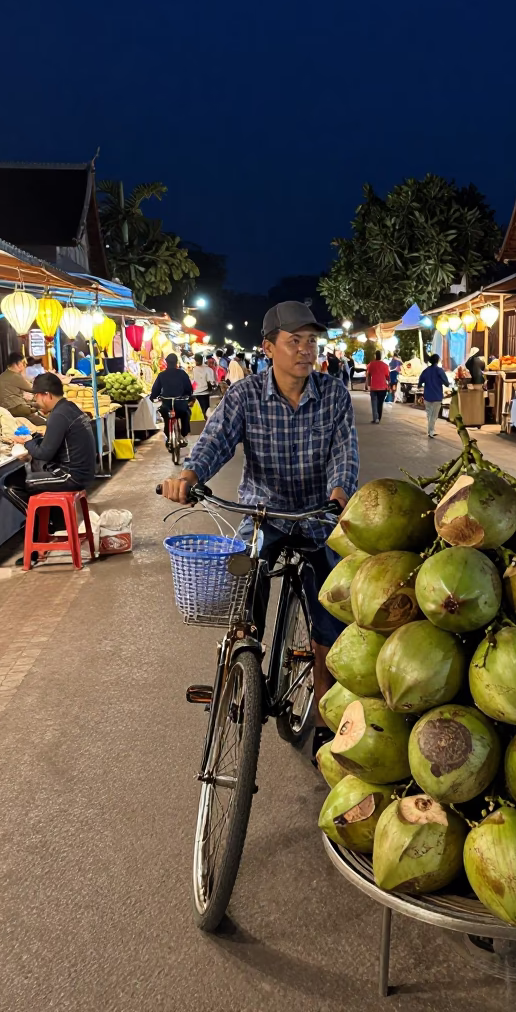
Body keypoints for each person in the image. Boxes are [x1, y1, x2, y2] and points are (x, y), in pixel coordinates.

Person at [159, 301, 359, 755]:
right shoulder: (244, 395)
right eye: (295, 341)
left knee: (331, 619)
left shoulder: (334, 393)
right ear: (269, 348)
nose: (306, 350)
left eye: (312, 341)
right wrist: (189, 477)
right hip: (262, 512)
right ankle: (240, 665)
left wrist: (340, 492)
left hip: (317, 515)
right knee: (242, 597)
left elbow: (344, 453)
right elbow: (214, 442)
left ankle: (327, 718)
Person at [3, 373, 96, 515]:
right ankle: (52, 522)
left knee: (11, 484)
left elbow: (44, 453)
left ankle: (40, 525)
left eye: (37, 396)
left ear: (46, 395)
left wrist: (28, 442)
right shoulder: (69, 407)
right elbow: (54, 443)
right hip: (85, 473)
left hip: (71, 476)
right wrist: (34, 438)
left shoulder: (58, 415)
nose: (36, 400)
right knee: (33, 469)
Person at [150, 353, 194, 445]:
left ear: (166, 363)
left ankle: (168, 435)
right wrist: (188, 396)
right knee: (185, 414)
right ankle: (183, 434)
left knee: (166, 417)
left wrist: (153, 397)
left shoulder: (162, 375)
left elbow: (155, 389)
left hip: (166, 403)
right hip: (180, 403)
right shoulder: (182, 374)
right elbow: (188, 388)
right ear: (176, 362)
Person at [0, 352, 48, 425]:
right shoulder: (14, 376)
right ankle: (48, 423)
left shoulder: (4, 375)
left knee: (36, 406)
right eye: (24, 363)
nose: (25, 365)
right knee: (40, 406)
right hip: (15, 407)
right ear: (19, 364)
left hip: (9, 407)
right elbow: (33, 389)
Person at [418, 353, 450, 438]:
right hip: (437, 396)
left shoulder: (426, 370)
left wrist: (421, 385)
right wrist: (446, 384)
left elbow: (420, 382)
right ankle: (431, 431)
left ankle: (431, 430)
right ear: (437, 361)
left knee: (429, 414)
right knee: (434, 415)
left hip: (427, 395)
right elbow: (446, 383)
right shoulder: (440, 370)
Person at [365, 350, 390, 423]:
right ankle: (379, 418)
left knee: (374, 403)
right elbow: (387, 376)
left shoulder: (371, 364)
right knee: (380, 403)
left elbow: (368, 375)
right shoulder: (385, 365)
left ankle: (375, 418)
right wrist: (388, 386)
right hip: (383, 387)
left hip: (374, 387)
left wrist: (368, 384)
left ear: (375, 356)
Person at [192, 354, 218, 419]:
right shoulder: (208, 369)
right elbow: (212, 382)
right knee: (206, 412)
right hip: (205, 393)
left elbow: (191, 381)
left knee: (197, 414)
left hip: (195, 394)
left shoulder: (193, 369)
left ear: (195, 361)